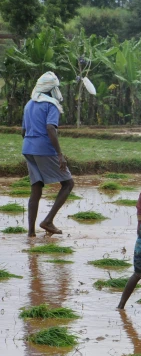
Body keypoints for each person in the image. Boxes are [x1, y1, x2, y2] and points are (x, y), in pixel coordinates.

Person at [21, 72, 74, 237]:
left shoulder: (29, 104)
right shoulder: (51, 105)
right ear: (52, 90)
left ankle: (31, 232)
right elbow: (50, 128)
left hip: (28, 148)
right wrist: (59, 154)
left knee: (36, 187)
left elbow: (23, 130)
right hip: (44, 148)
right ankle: (48, 221)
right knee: (68, 183)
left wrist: (31, 144)